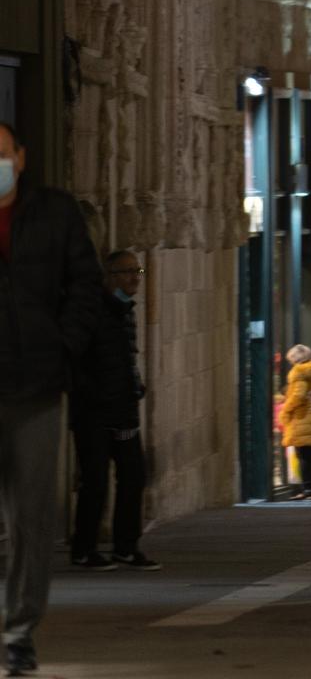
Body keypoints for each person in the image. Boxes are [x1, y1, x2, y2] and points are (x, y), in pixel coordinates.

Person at [0, 119, 101, 676]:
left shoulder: (54, 214)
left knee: (31, 519)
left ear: (21, 156)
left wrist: (63, 344)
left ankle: (19, 631)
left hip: (36, 387)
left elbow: (86, 283)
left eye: (2, 152)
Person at [70, 249, 159, 569]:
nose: (135, 277)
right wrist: (94, 394)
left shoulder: (125, 311)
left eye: (137, 271)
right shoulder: (92, 312)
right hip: (94, 411)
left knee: (133, 476)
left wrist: (134, 386)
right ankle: (84, 549)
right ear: (109, 277)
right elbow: (78, 360)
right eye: (126, 272)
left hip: (123, 408)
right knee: (95, 480)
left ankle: (126, 545)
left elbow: (125, 357)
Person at [280, 344, 311, 498]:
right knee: (310, 454)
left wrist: (285, 410)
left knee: (302, 453)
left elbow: (298, 395)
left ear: (296, 358)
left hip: (301, 417)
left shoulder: (299, 372)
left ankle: (308, 488)